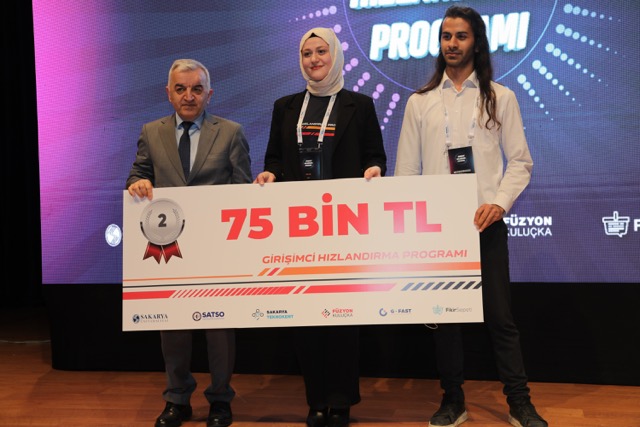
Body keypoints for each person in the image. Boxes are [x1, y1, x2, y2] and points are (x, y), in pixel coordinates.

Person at [394, 6, 548, 427]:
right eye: (446, 36)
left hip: (486, 225)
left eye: (460, 36)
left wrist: (499, 202)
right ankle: (453, 401)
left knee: (500, 319)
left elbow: (520, 162)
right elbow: (405, 171)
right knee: (446, 321)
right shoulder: (420, 102)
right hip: (437, 232)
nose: (452, 44)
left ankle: (520, 404)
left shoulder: (501, 97)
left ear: (476, 42)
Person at [253, 27, 387, 427]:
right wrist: (270, 175)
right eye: (307, 53)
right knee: (305, 317)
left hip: (344, 227)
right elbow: (275, 159)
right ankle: (316, 400)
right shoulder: (285, 107)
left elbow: (375, 156)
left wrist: (374, 170)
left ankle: (341, 400)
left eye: (321, 51)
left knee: (343, 318)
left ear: (336, 56)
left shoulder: (360, 105)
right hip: (299, 229)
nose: (314, 59)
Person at [126, 58, 252, 427]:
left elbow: (243, 189)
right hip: (171, 251)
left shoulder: (231, 132)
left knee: (219, 332)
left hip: (217, 251)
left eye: (197, 89)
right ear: (168, 93)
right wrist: (137, 183)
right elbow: (138, 173)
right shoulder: (151, 132)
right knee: (173, 329)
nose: (188, 96)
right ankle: (177, 400)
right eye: (180, 89)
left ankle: (220, 401)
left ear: (209, 94)